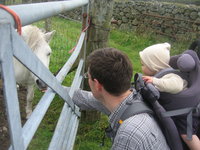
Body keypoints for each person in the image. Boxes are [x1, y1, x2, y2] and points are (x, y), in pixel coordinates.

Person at [71, 47, 170, 150]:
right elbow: (86, 98)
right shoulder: (132, 99)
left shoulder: (129, 134)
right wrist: (55, 86)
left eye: (88, 76)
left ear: (97, 85)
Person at [139, 43, 200, 150]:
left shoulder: (171, 75)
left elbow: (175, 86)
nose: (141, 67)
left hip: (186, 114)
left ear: (154, 66)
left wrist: (155, 81)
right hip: (179, 110)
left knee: (187, 134)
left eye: (143, 64)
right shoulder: (162, 75)